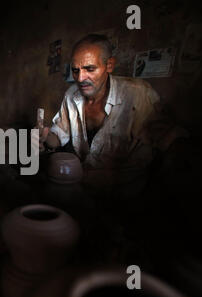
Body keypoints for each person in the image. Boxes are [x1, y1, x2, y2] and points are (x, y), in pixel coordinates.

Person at [38, 34, 188, 200]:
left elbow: (172, 143)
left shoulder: (138, 94)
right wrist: (44, 138)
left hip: (127, 195)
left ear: (109, 65)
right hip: (83, 186)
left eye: (89, 69)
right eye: (75, 70)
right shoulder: (72, 95)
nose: (80, 78)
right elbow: (58, 136)